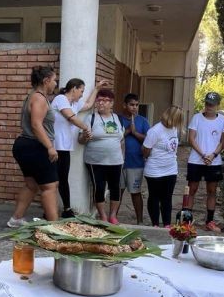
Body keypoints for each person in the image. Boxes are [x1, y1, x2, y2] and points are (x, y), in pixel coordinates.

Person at [8, 66, 60, 226]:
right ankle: (54, 227)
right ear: (46, 81)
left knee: (31, 185)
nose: (56, 83)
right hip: (35, 146)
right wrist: (50, 147)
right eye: (54, 80)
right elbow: (36, 125)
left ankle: (16, 219)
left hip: (26, 145)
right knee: (50, 186)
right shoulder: (39, 98)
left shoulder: (33, 96)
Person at [51, 78, 102, 217]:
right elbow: (71, 117)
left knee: (63, 179)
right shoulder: (61, 99)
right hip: (54, 146)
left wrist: (96, 88)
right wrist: (86, 128)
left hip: (64, 148)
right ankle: (50, 211)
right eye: (81, 91)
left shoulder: (75, 103)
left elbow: (88, 105)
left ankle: (66, 209)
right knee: (53, 181)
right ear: (74, 88)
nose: (82, 94)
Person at [186, 91, 224, 232]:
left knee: (212, 191)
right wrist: (203, 155)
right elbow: (191, 139)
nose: (209, 107)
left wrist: (213, 155)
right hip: (196, 160)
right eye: (207, 104)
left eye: (212, 104)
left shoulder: (223, 120)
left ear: (217, 105)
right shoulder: (197, 118)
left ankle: (209, 221)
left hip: (214, 161)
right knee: (192, 189)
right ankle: (186, 221)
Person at [83, 88, 124, 223]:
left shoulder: (118, 118)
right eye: (99, 100)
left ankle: (113, 216)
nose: (101, 103)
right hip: (96, 161)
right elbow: (80, 140)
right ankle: (103, 216)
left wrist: (121, 156)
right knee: (99, 188)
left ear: (111, 103)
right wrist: (85, 137)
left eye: (105, 100)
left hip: (116, 161)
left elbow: (121, 139)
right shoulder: (91, 118)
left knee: (115, 188)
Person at [142, 105, 183, 227]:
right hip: (154, 170)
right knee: (154, 197)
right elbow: (146, 150)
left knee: (167, 198)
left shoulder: (174, 128)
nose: (176, 124)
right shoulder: (155, 131)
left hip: (171, 169)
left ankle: (166, 224)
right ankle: (155, 223)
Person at [118, 93, 150, 223]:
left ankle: (139, 221)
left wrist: (135, 132)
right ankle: (113, 218)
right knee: (118, 192)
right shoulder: (117, 119)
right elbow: (114, 138)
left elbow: (149, 140)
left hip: (136, 162)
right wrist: (127, 131)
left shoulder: (143, 121)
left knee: (136, 192)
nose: (134, 107)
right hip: (118, 162)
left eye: (136, 105)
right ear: (124, 105)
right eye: (131, 105)